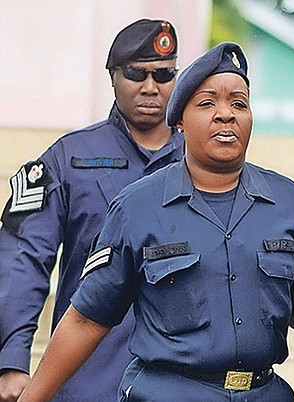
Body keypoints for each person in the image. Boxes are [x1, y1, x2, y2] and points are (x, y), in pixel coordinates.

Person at [17, 41, 294, 402]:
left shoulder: (286, 200)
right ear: (180, 123)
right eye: (207, 104)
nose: (226, 115)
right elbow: (86, 320)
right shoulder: (137, 205)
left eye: (239, 103)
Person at [0, 19, 183, 402]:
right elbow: (23, 258)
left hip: (182, 381)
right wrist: (11, 359)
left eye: (163, 75)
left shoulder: (204, 164)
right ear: (113, 76)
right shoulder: (67, 160)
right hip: (88, 379)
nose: (151, 87)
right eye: (136, 73)